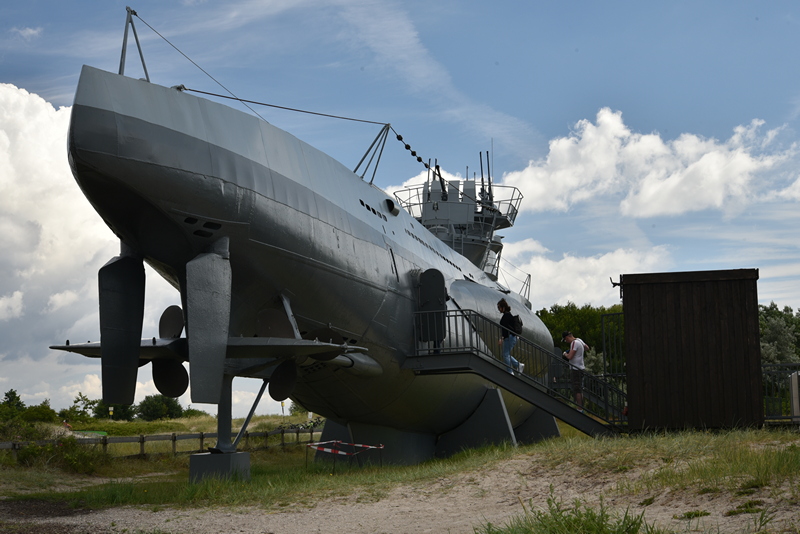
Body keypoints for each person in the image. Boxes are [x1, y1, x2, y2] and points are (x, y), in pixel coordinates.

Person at [562, 331, 587, 411]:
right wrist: (578, 351)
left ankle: (579, 409)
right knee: (580, 388)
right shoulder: (579, 340)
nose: (566, 342)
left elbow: (570, 357)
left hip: (575, 369)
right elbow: (587, 348)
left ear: (567, 337)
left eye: (565, 340)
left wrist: (565, 353)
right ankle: (581, 408)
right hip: (581, 367)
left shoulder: (574, 343)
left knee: (577, 389)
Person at [497, 299, 524, 375]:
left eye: (499, 307)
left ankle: (510, 371)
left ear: (503, 307)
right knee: (505, 354)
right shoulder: (508, 315)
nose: (499, 309)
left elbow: (506, 330)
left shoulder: (506, 316)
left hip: (510, 337)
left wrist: (502, 338)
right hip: (511, 337)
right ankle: (518, 365)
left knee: (505, 355)